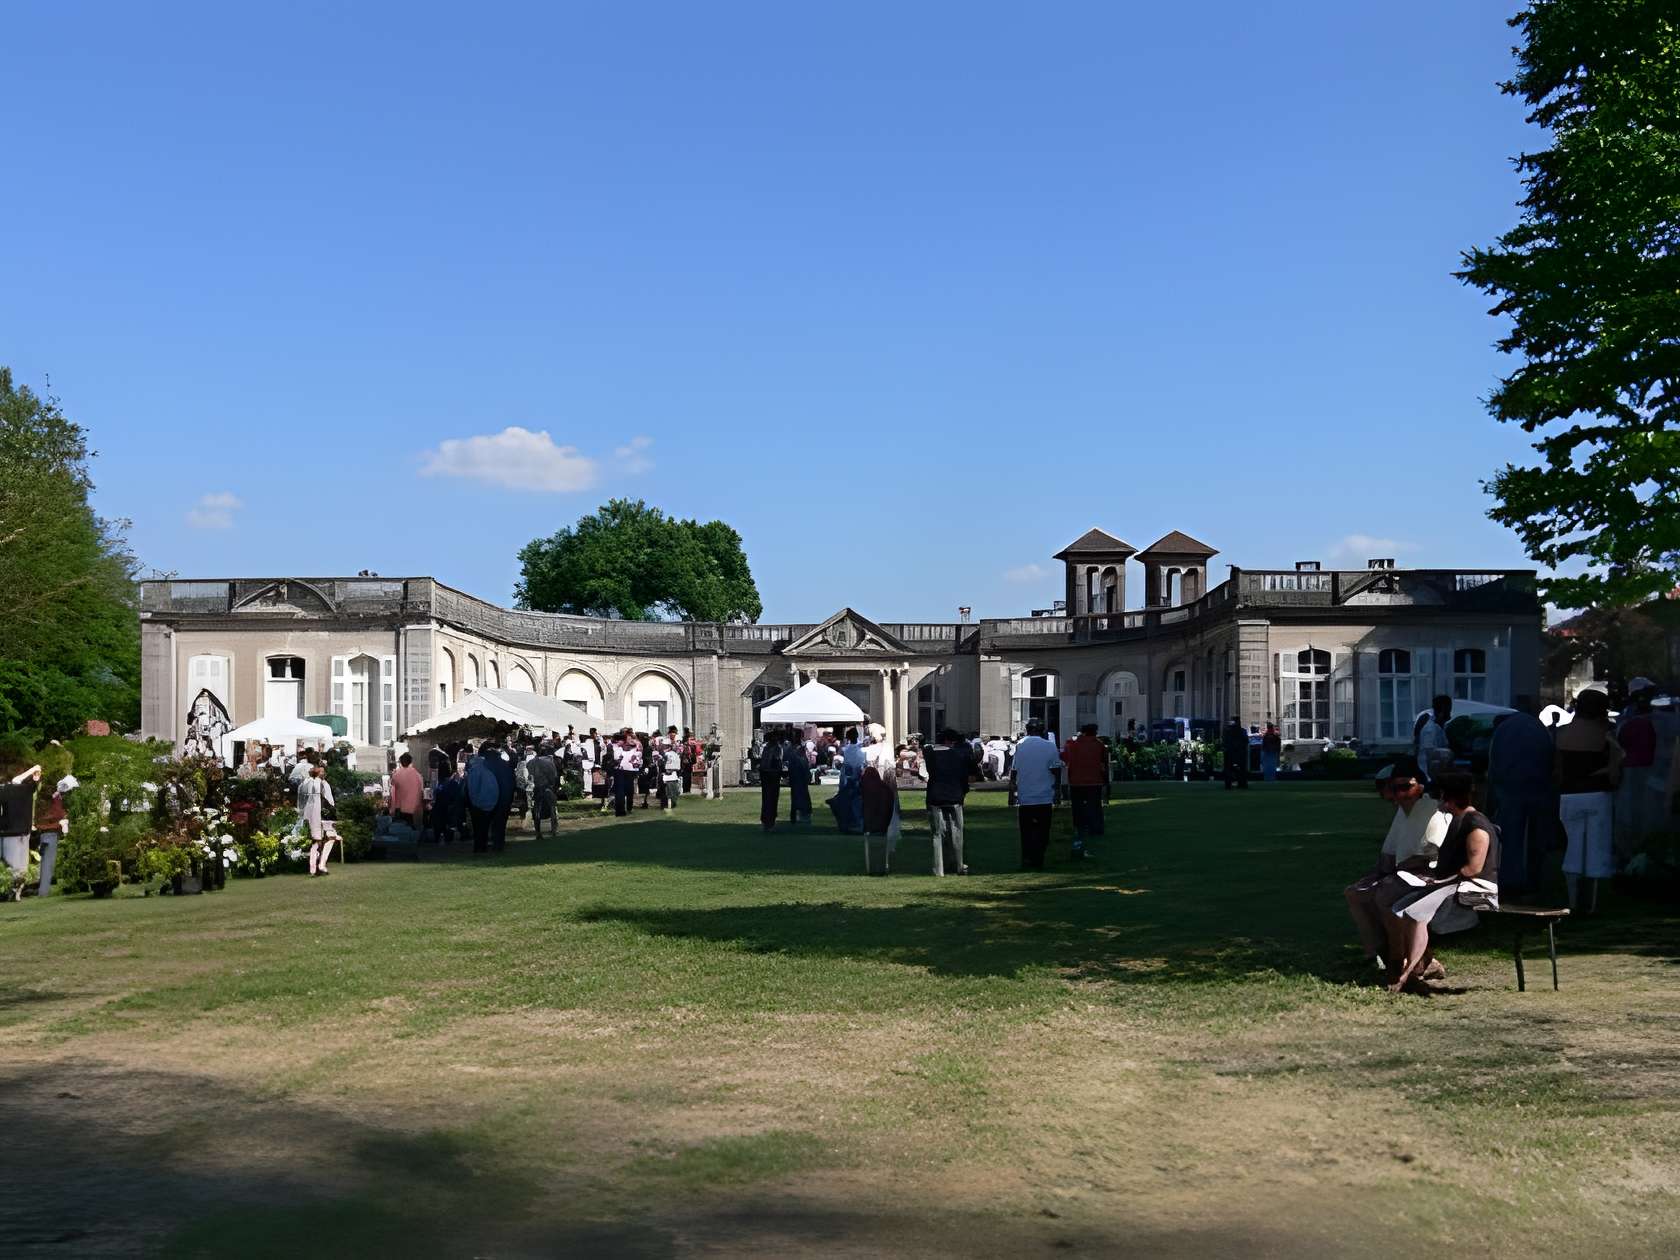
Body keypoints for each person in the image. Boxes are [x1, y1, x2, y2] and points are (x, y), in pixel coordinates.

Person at [1385, 772, 1499, 993]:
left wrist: (1438, 881)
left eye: (1441, 797)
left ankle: (1408, 975)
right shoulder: (1459, 820)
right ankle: (1418, 965)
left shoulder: (1475, 825)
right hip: (1452, 883)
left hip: (1475, 889)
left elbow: (1473, 869)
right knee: (1402, 905)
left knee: (1417, 912)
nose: (1438, 802)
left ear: (1449, 797)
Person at [1343, 760, 1449, 972]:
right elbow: (1388, 855)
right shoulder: (1403, 812)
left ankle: (1401, 958)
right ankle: (1378, 952)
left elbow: (1437, 856)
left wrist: (1392, 873)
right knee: (1355, 893)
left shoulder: (1431, 809)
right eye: (1394, 788)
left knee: (1387, 895)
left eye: (1405, 787)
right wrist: (1375, 875)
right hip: (1404, 875)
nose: (1399, 795)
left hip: (1430, 878)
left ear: (1420, 787)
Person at [1555, 687, 1622, 912]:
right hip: (1598, 794)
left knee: (1572, 847)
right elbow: (1616, 768)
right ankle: (1592, 905)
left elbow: (1557, 770)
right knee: (1597, 848)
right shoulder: (1607, 733)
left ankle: (1572, 901)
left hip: (1568, 796)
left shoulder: (1561, 733)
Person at [1487, 702, 1558, 900]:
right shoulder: (1537, 729)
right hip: (1538, 787)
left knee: (1509, 836)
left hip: (1509, 789)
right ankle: (1534, 880)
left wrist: (1491, 801)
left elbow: (1493, 767)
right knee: (1537, 835)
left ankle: (1509, 880)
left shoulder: (1502, 732)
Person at [1614, 679, 1658, 864]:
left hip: (1637, 769)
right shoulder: (1641, 717)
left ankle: (1633, 852)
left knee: (1632, 813)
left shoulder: (1631, 719)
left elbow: (1619, 739)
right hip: (1646, 769)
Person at [1011, 720, 1063, 870]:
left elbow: (1014, 769)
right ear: (1042, 730)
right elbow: (1056, 769)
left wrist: (1012, 788)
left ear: (1027, 730)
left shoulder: (1020, 745)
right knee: (1043, 830)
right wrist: (1058, 789)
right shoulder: (1049, 746)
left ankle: (1027, 858)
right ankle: (1038, 858)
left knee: (1026, 831)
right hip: (1044, 795)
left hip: (1025, 795)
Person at [923, 728, 976, 875]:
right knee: (957, 832)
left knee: (937, 834)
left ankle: (939, 869)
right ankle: (959, 865)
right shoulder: (960, 754)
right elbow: (968, 773)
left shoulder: (930, 754)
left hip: (935, 795)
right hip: (955, 795)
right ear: (950, 741)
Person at [1061, 723, 1107, 859]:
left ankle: (1079, 827)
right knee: (1095, 806)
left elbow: (1064, 757)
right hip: (1094, 780)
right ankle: (1096, 827)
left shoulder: (1072, 744)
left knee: (1078, 806)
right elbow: (1103, 762)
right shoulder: (1099, 745)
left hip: (1077, 781)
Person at [860, 722, 900, 873]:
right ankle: (883, 859)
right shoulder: (885, 749)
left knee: (877, 820)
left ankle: (877, 859)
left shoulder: (867, 750)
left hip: (876, 790)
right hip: (883, 789)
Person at [298, 763, 340, 875]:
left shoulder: (307, 783)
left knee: (317, 841)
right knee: (329, 838)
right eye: (320, 771)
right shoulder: (321, 784)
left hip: (313, 815)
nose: (322, 773)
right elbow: (329, 801)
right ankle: (320, 865)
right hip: (322, 815)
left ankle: (314, 867)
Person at [828, 726, 865, 834]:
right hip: (849, 775)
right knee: (849, 800)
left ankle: (855, 823)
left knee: (855, 800)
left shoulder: (858, 748)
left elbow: (859, 764)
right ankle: (850, 823)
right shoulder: (848, 749)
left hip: (855, 775)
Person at [466, 743, 499, 853]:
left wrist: (474, 801)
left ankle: (478, 847)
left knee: (477, 828)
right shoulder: (488, 769)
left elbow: (472, 788)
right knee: (484, 827)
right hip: (489, 803)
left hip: (478, 803)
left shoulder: (475, 769)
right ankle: (482, 847)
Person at [1416, 694, 1454, 783]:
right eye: (1448, 710)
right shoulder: (1430, 729)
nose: (1450, 714)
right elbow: (1430, 754)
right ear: (1442, 711)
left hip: (1435, 774)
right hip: (1428, 776)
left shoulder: (1439, 727)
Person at [529, 742, 559, 837]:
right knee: (552, 808)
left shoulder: (531, 762)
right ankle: (553, 830)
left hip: (536, 787)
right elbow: (554, 776)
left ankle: (538, 832)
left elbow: (529, 776)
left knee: (537, 809)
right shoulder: (549, 762)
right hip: (547, 786)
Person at [389, 752, 424, 830]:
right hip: (415, 809)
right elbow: (421, 792)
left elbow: (392, 791)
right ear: (411, 762)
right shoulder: (418, 775)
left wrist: (391, 809)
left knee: (401, 831)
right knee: (412, 831)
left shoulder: (396, 775)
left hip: (400, 808)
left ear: (401, 762)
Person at [758, 730, 784, 832]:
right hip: (770, 775)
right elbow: (776, 761)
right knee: (770, 799)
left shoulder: (768, 748)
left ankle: (768, 821)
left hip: (769, 774)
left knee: (768, 799)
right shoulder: (774, 748)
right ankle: (768, 821)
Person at [431, 762, 464, 843]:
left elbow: (435, 795)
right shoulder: (453, 783)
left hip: (439, 809)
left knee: (439, 825)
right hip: (450, 809)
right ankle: (447, 837)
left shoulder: (439, 783)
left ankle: (438, 837)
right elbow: (458, 797)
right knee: (449, 826)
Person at [784, 734, 812, 824]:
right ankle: (800, 815)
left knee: (798, 796)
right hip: (797, 775)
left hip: (797, 776)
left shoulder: (793, 749)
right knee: (800, 795)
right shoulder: (795, 750)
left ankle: (798, 815)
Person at [614, 730, 641, 818]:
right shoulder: (620, 748)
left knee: (625, 790)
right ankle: (624, 809)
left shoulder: (633, 745)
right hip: (626, 770)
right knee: (624, 790)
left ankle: (625, 809)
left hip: (627, 769)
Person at [1221, 717, 1250, 791]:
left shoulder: (1227, 731)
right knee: (1242, 769)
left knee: (1228, 769)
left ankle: (1229, 784)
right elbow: (1246, 741)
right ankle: (1242, 783)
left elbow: (1224, 741)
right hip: (1240, 753)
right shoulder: (1243, 731)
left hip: (1230, 752)